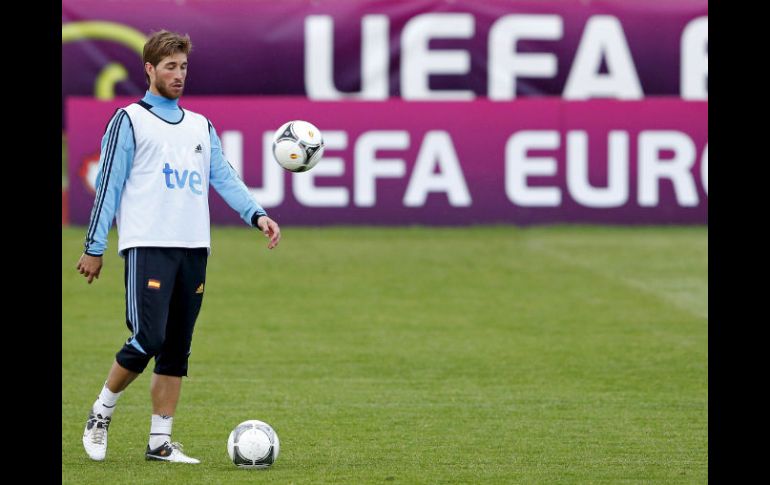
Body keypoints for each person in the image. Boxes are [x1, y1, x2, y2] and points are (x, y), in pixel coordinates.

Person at [77, 30, 281, 464]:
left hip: (194, 247)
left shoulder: (200, 126)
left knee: (176, 349)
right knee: (147, 337)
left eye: (183, 66)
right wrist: (94, 246)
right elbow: (108, 186)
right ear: (149, 69)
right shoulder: (129, 120)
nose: (178, 74)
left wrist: (257, 214)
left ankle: (160, 442)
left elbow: (224, 176)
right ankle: (101, 412)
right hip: (148, 244)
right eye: (170, 66)